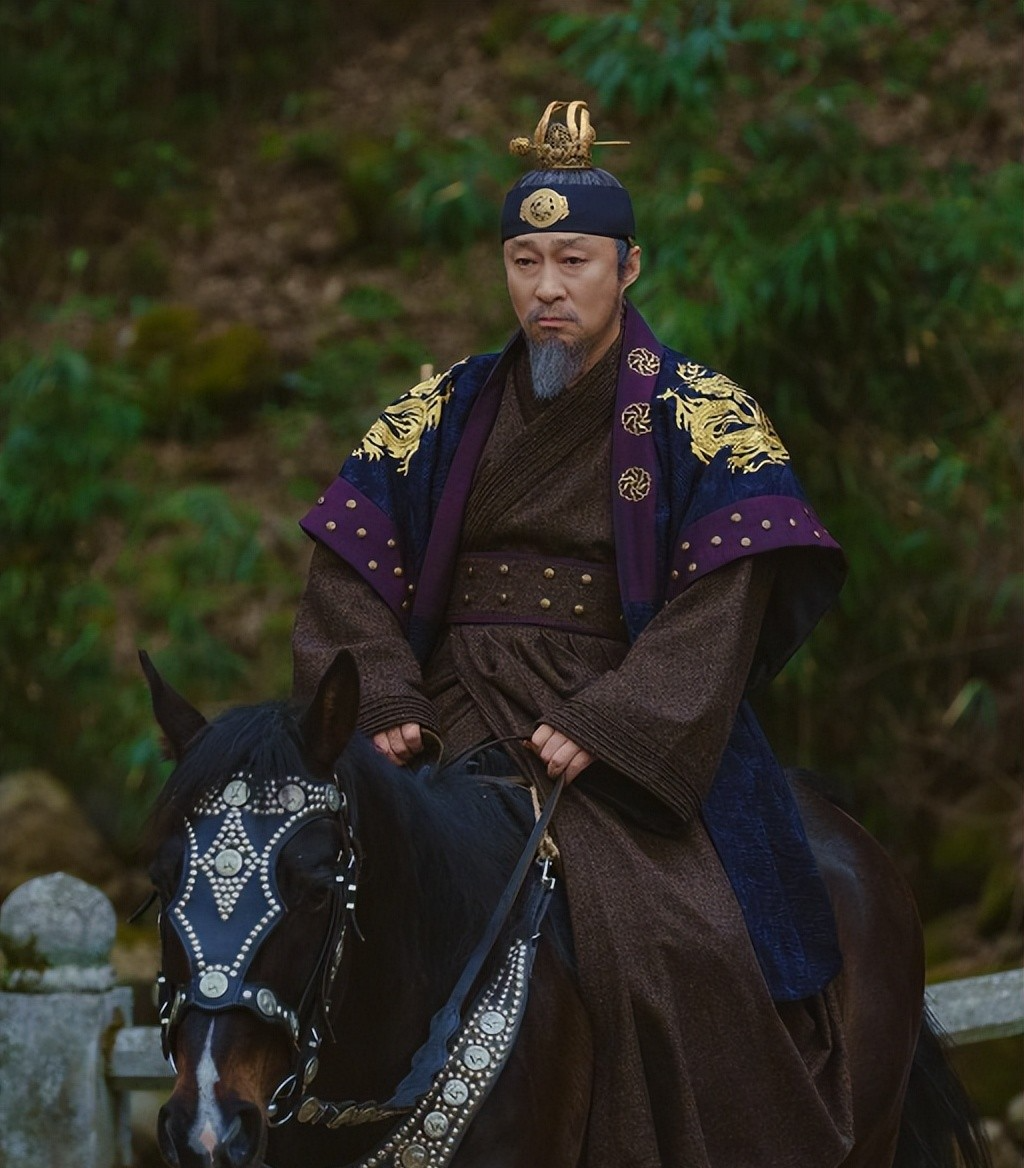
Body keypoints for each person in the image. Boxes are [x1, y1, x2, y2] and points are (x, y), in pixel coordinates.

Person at [292, 100, 854, 1167]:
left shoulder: (701, 412)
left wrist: (617, 720)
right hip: (452, 709)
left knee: (672, 940)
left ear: (628, 268)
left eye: (574, 261)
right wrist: (386, 696)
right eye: (525, 261)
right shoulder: (440, 406)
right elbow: (348, 564)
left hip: (612, 726)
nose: (546, 288)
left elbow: (727, 594)